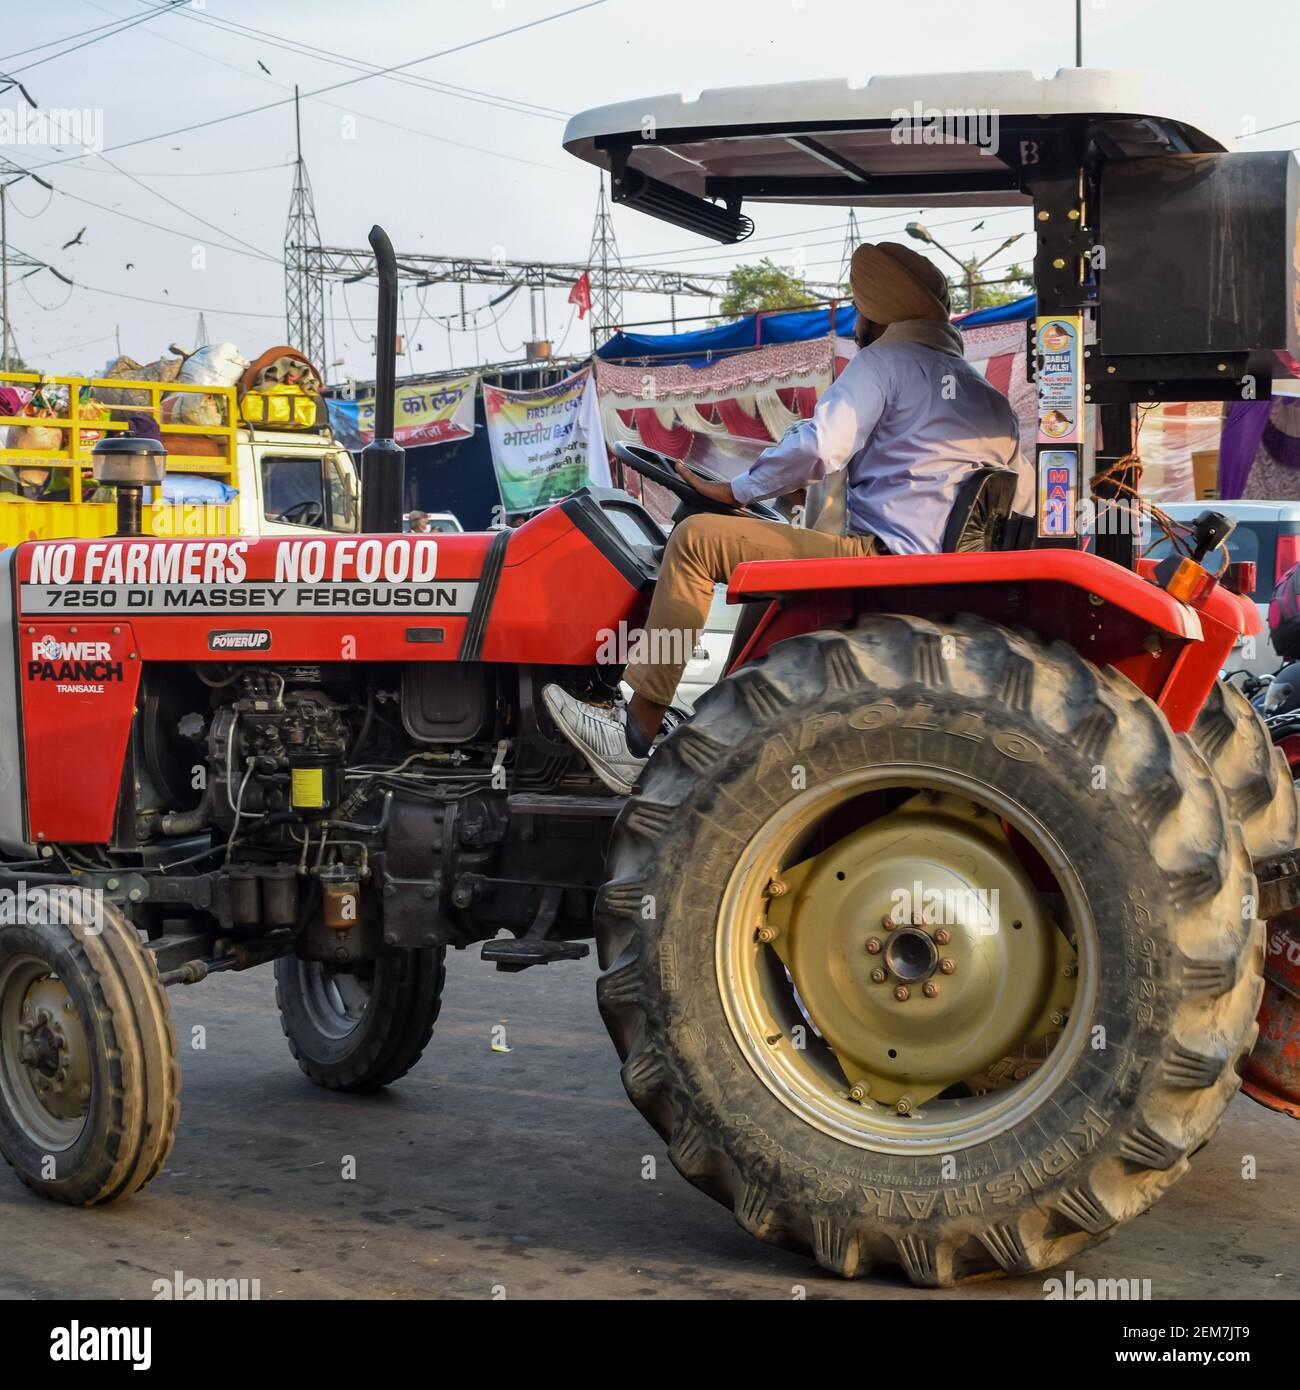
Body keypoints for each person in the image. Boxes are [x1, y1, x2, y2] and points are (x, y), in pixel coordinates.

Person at [543, 240, 1028, 794]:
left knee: (696, 540)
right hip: (935, 572)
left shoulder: (884, 362)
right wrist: (779, 490)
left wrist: (734, 490)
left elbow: (820, 446)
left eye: (860, 308)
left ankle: (637, 728)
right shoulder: (985, 394)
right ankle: (719, 720)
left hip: (882, 562)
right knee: (767, 575)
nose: (857, 321)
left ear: (876, 313)